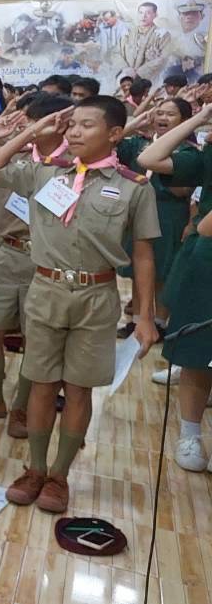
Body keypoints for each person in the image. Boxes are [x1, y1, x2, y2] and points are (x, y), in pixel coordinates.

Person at [0, 96, 161, 513]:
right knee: (41, 383)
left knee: (78, 389)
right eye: (71, 124)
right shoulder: (45, 172)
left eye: (86, 125)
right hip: (46, 290)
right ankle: (35, 468)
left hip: (96, 296)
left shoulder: (134, 187)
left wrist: (145, 317)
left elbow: (144, 255)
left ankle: (59, 475)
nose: (74, 131)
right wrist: (27, 132)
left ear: (115, 133)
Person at [0, 92, 74, 433]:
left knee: (36, 340)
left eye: (33, 122)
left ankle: (22, 407)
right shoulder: (15, 155)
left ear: (56, 124)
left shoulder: (71, 164)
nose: (26, 127)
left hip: (45, 259)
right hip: (6, 251)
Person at [136, 101, 212, 470]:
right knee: (197, 352)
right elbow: (149, 158)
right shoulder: (206, 153)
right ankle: (190, 434)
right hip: (207, 259)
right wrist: (199, 118)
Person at [116, 98, 196, 339]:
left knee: (163, 267)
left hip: (167, 212)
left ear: (185, 120)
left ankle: (159, 321)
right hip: (135, 209)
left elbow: (183, 191)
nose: (162, 118)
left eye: (170, 114)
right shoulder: (139, 143)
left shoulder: (188, 152)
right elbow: (110, 142)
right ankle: (136, 320)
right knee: (136, 266)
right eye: (159, 113)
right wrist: (134, 125)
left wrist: (161, 157)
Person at [119, 2, 171, 81]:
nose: (143, 16)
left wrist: (139, 72)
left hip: (149, 80)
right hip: (126, 77)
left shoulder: (162, 34)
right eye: (141, 12)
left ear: (155, 14)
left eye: (148, 13)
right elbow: (116, 52)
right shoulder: (128, 32)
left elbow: (164, 58)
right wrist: (125, 68)